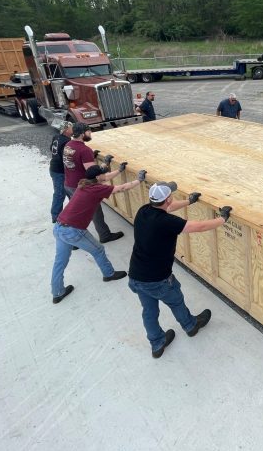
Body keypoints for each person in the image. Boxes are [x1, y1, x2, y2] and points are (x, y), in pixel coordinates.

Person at [128, 181, 233, 358]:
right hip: (157, 279)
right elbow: (199, 227)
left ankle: (157, 343)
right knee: (176, 300)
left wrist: (188, 201)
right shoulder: (166, 222)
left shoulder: (144, 211)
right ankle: (190, 326)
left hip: (136, 277)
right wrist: (223, 218)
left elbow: (167, 207)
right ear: (168, 199)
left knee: (149, 312)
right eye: (171, 196)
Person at [51, 164, 145, 304]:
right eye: (102, 173)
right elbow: (122, 188)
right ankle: (109, 274)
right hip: (73, 231)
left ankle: (57, 292)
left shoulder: (83, 183)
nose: (104, 175)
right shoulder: (96, 189)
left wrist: (119, 170)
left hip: (59, 227)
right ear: (97, 177)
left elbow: (104, 178)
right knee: (98, 250)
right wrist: (139, 180)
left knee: (60, 262)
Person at [63, 122, 124, 243]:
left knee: (76, 211)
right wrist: (107, 166)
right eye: (88, 131)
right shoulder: (85, 150)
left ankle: (71, 238)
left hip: (69, 184)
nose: (91, 133)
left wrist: (93, 157)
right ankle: (104, 235)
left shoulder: (68, 145)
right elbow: (95, 175)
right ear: (82, 134)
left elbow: (77, 162)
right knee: (95, 212)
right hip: (82, 186)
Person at [49, 121, 73, 223]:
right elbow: (68, 157)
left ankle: (72, 211)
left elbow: (51, 148)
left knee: (68, 192)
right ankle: (56, 217)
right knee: (59, 194)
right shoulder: (66, 141)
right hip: (59, 171)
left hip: (53, 168)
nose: (73, 129)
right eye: (71, 128)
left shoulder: (56, 137)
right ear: (66, 130)